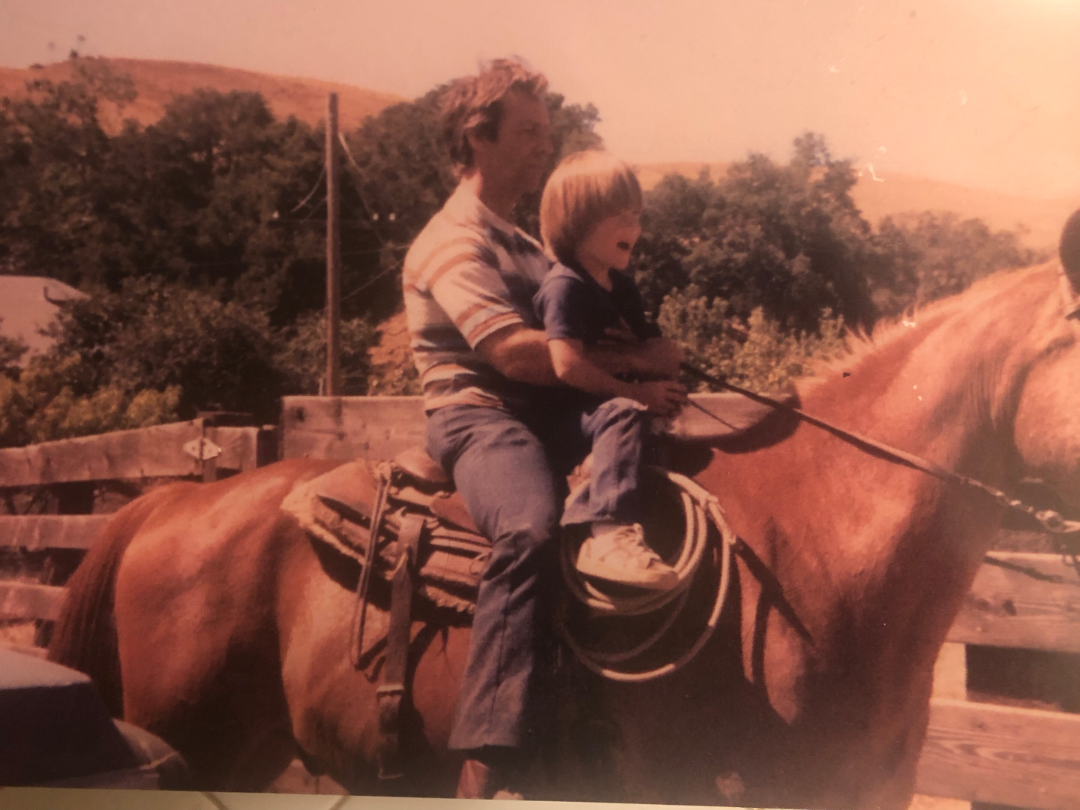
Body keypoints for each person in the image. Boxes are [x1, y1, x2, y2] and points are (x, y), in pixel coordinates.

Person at [403, 60, 682, 798]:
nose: (542, 148)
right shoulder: (450, 239)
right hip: (481, 418)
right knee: (527, 525)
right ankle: (490, 757)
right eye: (528, 133)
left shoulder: (529, 245)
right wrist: (628, 369)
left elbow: (591, 329)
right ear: (477, 136)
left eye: (546, 134)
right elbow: (511, 352)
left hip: (548, 411)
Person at [534, 150, 687, 588]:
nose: (634, 230)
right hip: (567, 418)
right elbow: (566, 366)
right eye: (620, 217)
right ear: (578, 219)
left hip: (608, 413)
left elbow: (644, 347)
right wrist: (638, 395)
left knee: (637, 417)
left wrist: (664, 374)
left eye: (637, 217)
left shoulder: (622, 286)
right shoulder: (564, 285)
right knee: (623, 412)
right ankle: (606, 532)